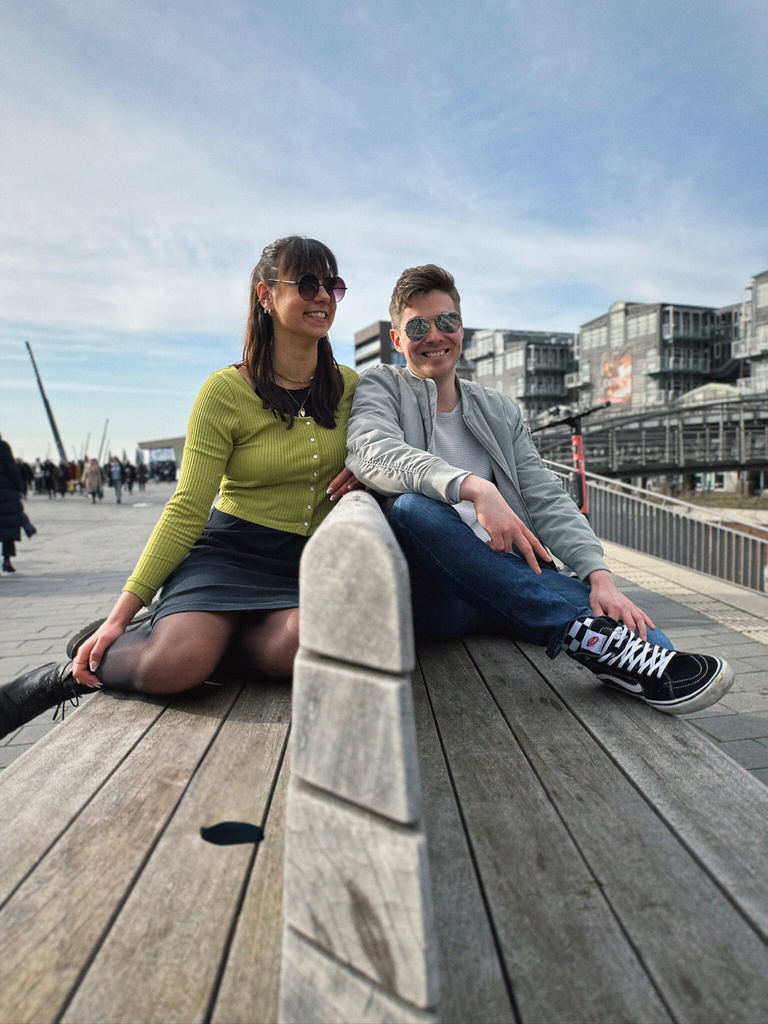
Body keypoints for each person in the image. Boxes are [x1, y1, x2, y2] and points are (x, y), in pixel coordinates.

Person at [0, 236, 359, 737]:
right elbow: (188, 506)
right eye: (306, 283)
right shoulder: (224, 391)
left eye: (332, 285)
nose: (322, 296)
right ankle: (65, 674)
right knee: (173, 668)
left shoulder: (350, 387)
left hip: (304, 560)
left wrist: (367, 471)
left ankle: (207, 640)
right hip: (230, 552)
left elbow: (390, 451)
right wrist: (121, 611)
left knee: (302, 646)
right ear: (265, 295)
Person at [345, 264, 734, 715]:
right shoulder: (382, 386)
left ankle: (603, 648)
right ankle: (582, 634)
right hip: (439, 593)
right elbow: (370, 449)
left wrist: (599, 576)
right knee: (412, 509)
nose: (434, 335)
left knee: (643, 637)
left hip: (512, 580)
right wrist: (473, 488)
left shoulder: (498, 408)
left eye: (446, 321)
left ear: (461, 328)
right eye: (417, 327)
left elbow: (544, 496)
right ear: (397, 340)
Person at [0, 435, 36, 573]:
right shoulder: (3, 446)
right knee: (8, 527)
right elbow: (12, 468)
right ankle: (7, 560)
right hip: (6, 493)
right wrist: (19, 486)